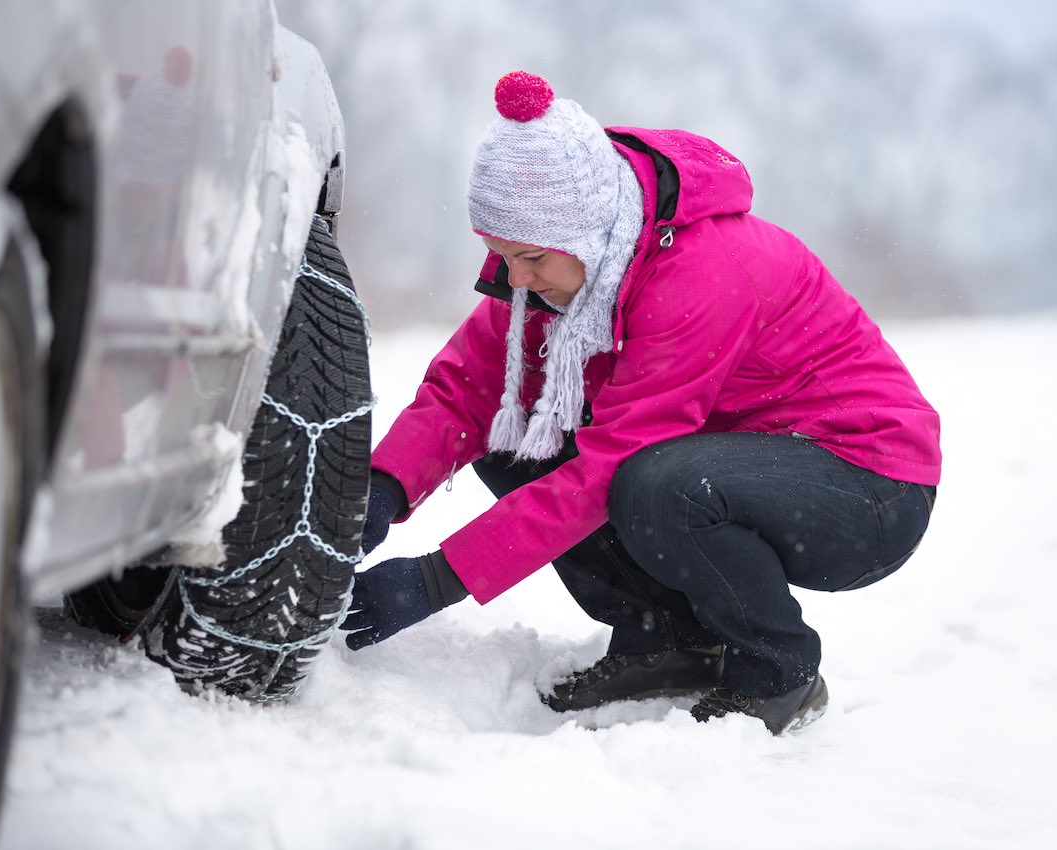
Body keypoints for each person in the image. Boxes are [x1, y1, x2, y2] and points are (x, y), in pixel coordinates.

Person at [342, 71, 940, 736]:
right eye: (500, 255)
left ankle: (779, 675)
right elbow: (469, 391)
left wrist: (436, 579)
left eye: (531, 257)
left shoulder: (703, 272)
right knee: (520, 437)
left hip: (869, 487)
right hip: (737, 463)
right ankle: (666, 641)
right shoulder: (565, 274)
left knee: (659, 486)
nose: (517, 278)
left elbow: (608, 468)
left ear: (589, 233)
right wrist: (375, 497)